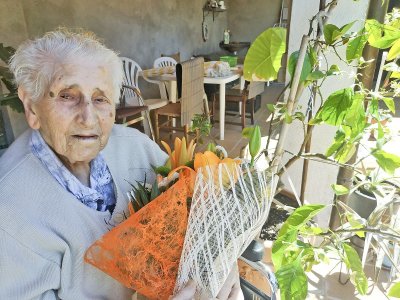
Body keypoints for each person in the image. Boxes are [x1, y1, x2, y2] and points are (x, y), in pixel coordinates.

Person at [0, 29, 243, 299]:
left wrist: (222, 258)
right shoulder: (10, 211)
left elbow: (200, 208)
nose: (88, 117)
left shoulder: (133, 146)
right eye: (67, 96)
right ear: (32, 107)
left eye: (101, 98)